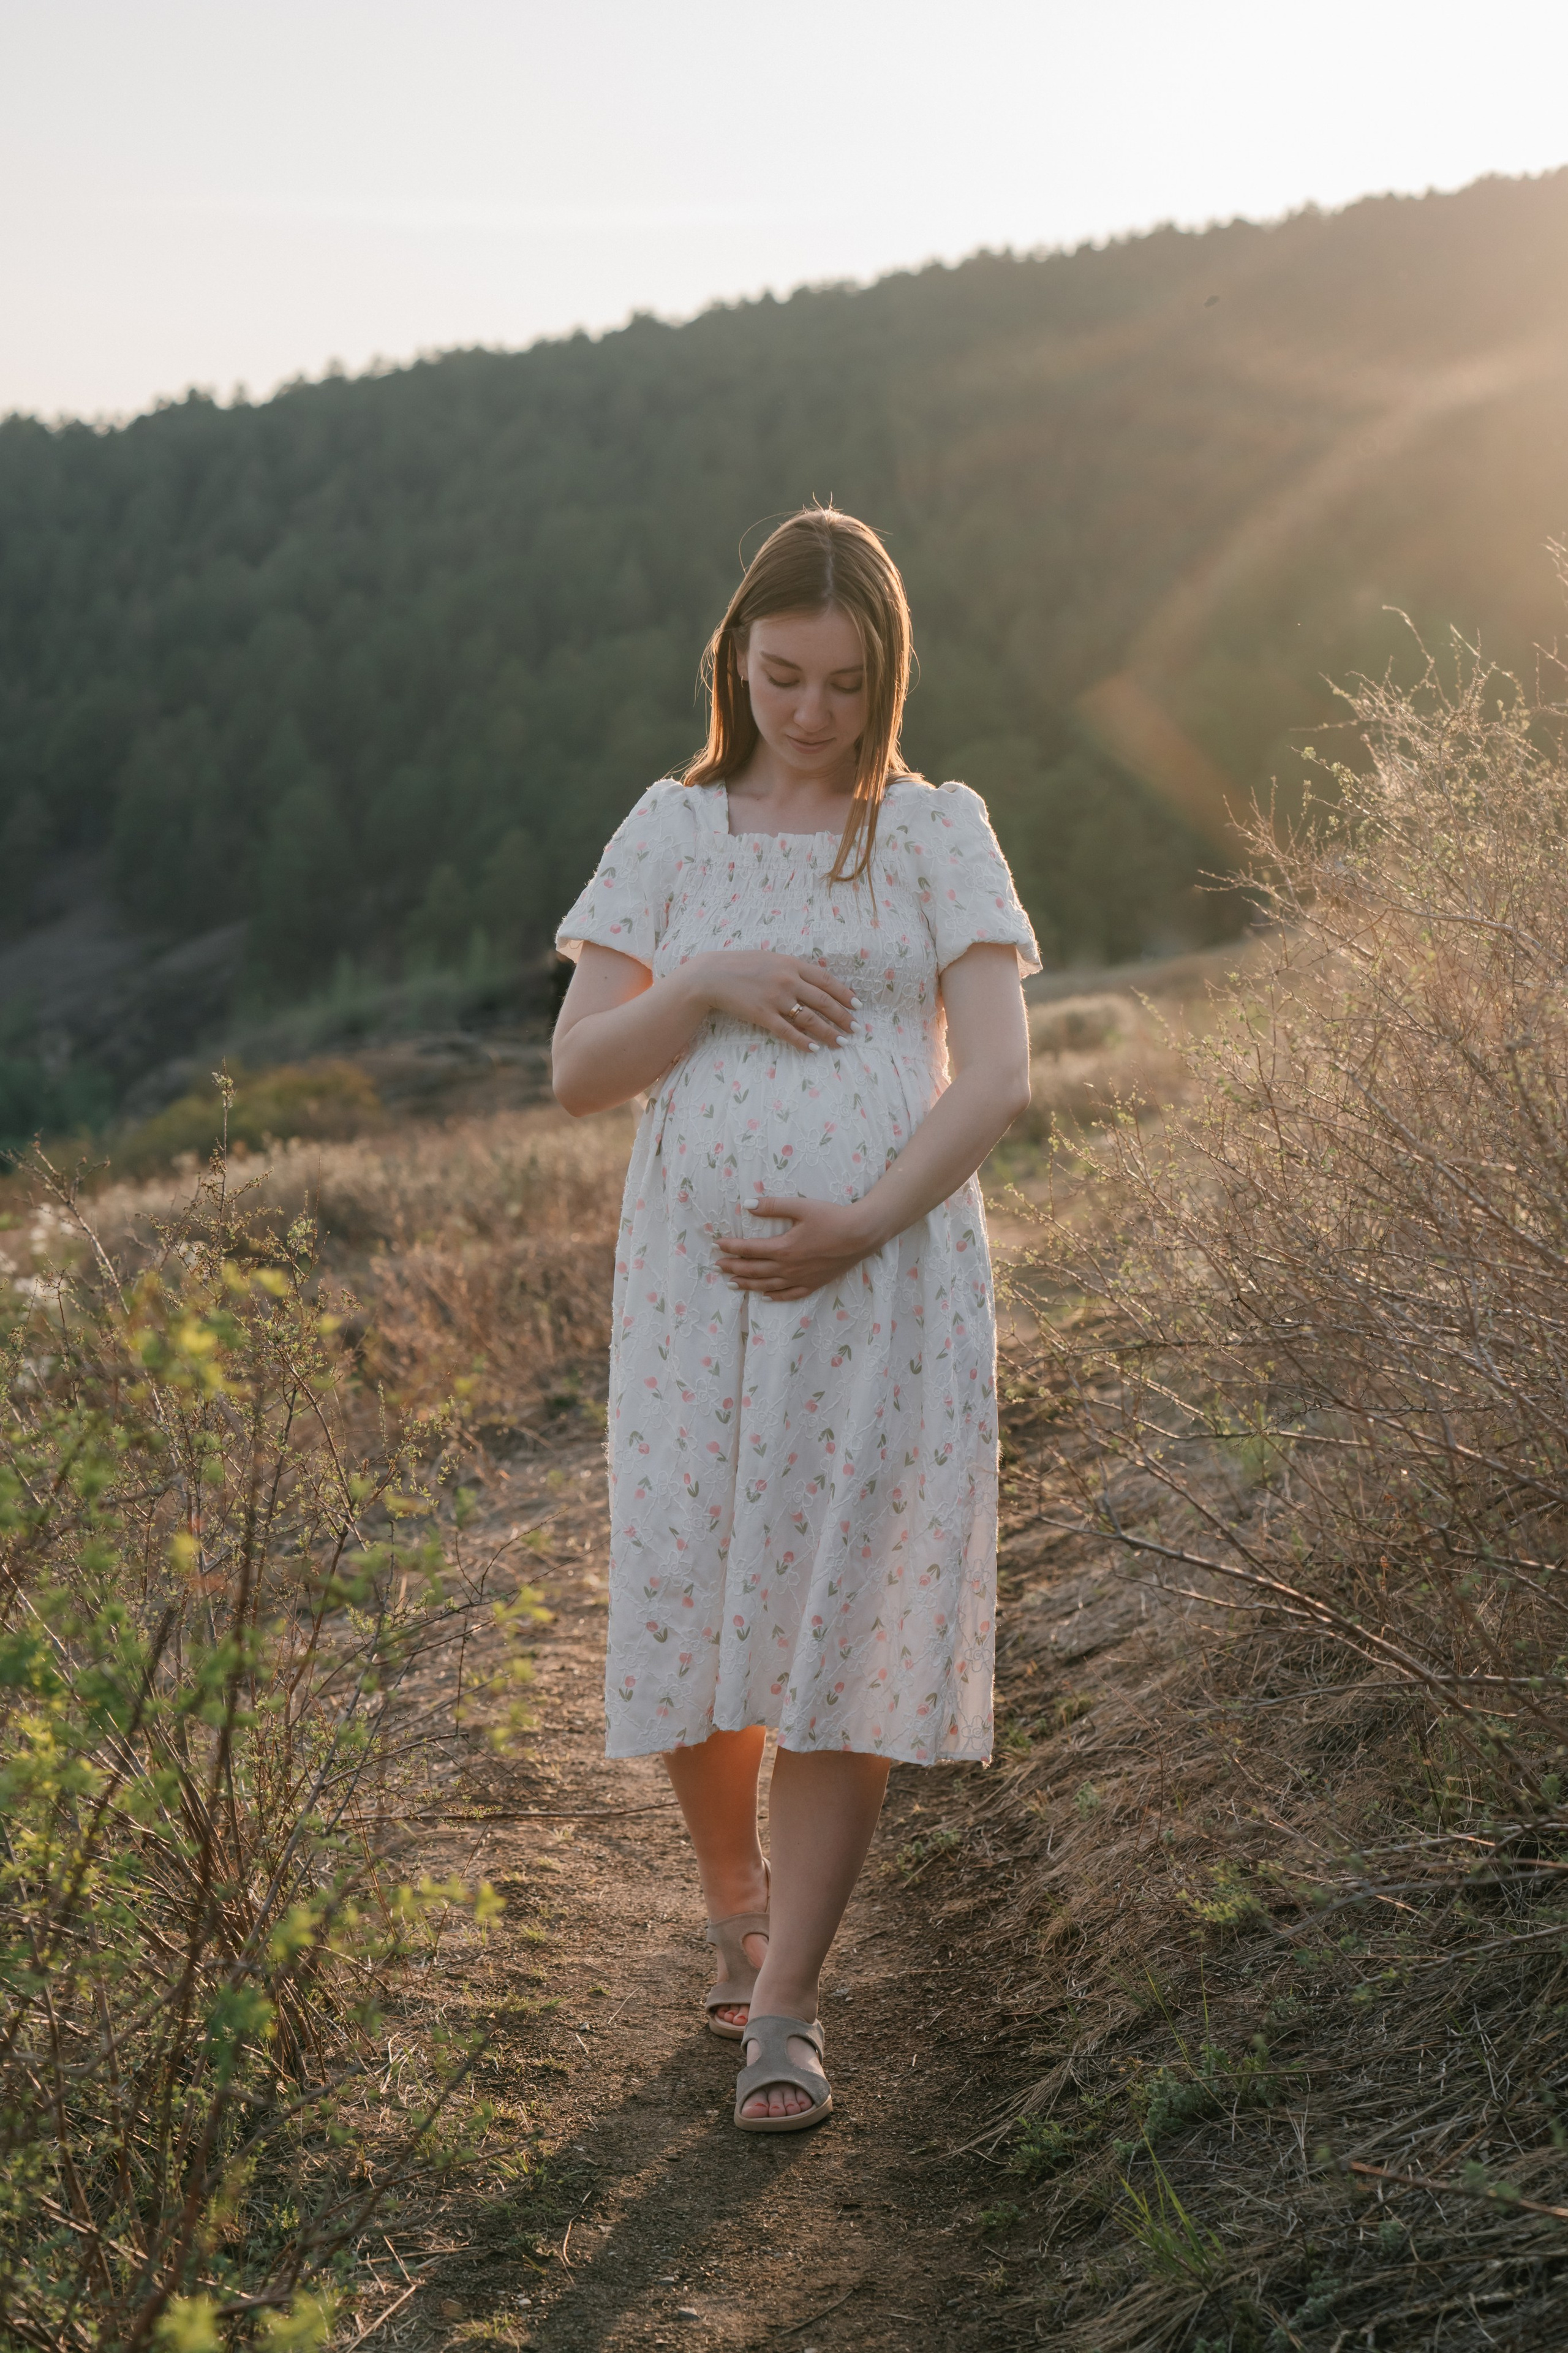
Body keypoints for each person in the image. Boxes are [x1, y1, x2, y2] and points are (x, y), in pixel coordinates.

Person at [552, 507, 1038, 2132]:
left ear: (886, 675)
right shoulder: (670, 833)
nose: (812, 712)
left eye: (843, 682)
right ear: (736, 661)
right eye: (783, 676)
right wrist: (706, 985)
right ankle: (729, 1902)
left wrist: (864, 1218)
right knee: (691, 1595)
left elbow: (1001, 1070)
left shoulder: (934, 829)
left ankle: (791, 2003)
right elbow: (576, 1072)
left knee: (838, 1623)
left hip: (884, 1283)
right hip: (694, 1297)